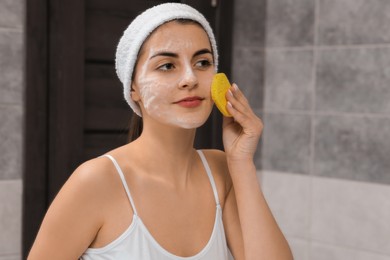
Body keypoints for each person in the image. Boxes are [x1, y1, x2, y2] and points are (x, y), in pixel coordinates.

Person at [28, 3, 293, 260]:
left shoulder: (222, 171)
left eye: (202, 62)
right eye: (167, 65)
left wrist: (242, 162)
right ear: (133, 88)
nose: (190, 78)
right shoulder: (96, 181)